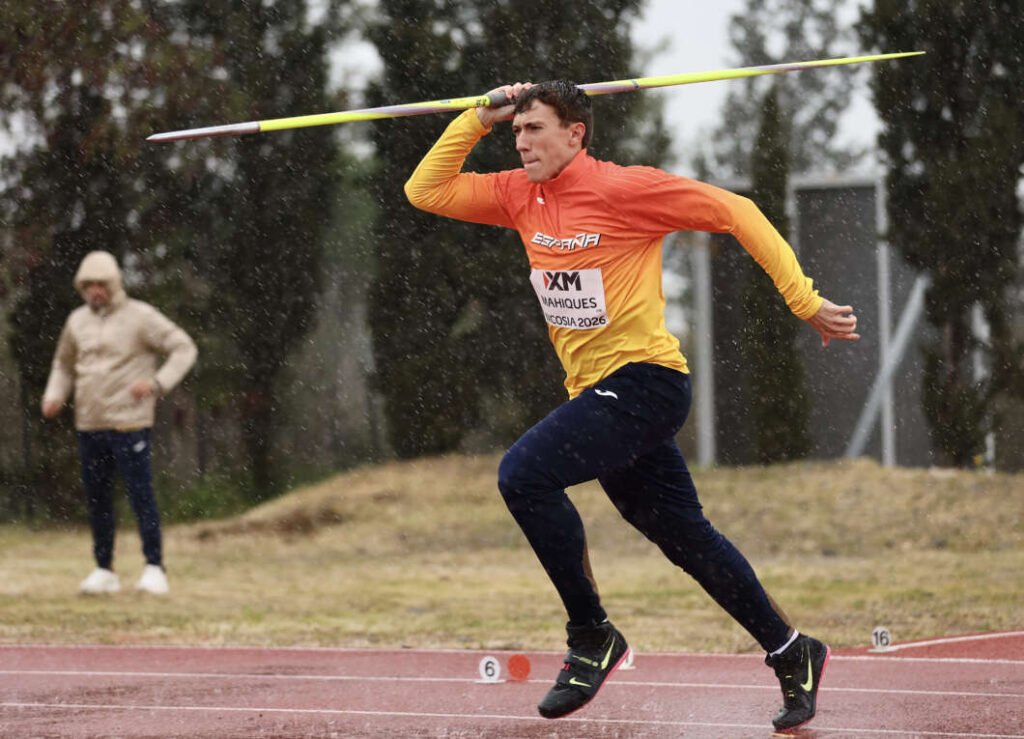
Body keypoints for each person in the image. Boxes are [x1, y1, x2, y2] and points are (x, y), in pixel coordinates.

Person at [404, 80, 860, 732]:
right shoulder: (516, 194)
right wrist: (477, 117)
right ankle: (793, 650)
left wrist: (803, 299)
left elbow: (739, 211)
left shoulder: (625, 189)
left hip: (646, 382)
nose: (522, 141)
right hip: (597, 393)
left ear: (576, 133)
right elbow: (426, 190)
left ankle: (592, 634)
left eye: (534, 128)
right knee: (683, 536)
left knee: (523, 474)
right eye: (517, 131)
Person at [42, 250, 198, 596]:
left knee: (141, 496)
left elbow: (184, 347)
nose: (95, 290)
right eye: (89, 285)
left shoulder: (141, 317)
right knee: (97, 499)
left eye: (102, 284)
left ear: (114, 284)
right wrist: (54, 394)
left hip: (130, 423)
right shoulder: (76, 322)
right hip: (90, 423)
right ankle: (104, 569)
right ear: (81, 287)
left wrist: (158, 384)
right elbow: (63, 365)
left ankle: (154, 568)